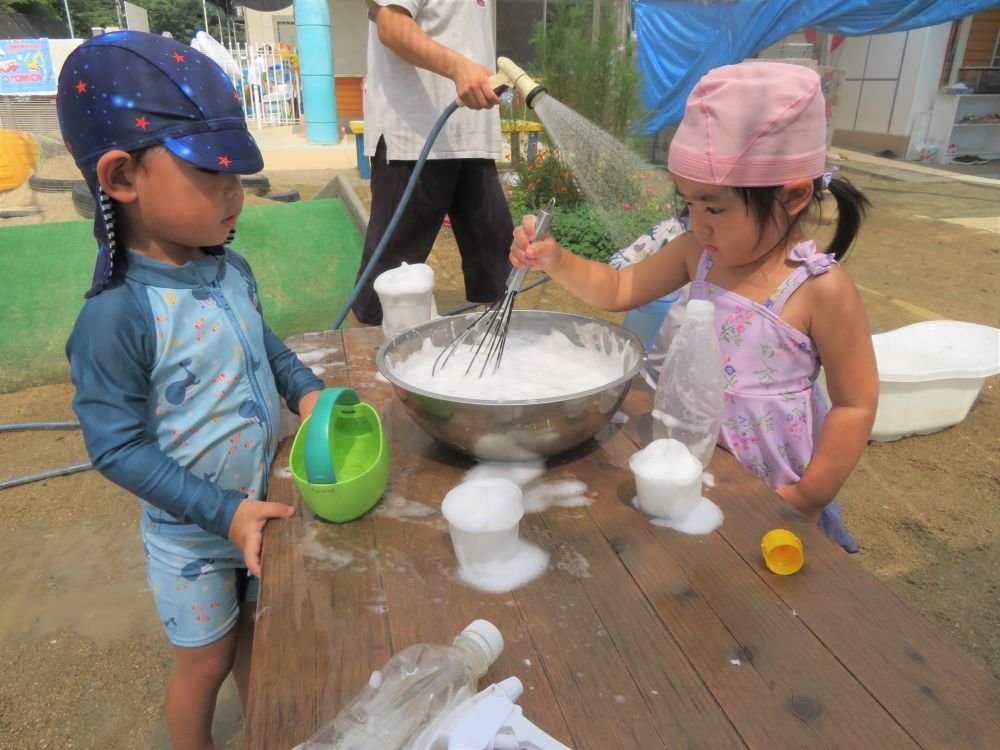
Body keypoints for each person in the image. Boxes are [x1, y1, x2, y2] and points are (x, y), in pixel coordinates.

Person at [55, 31, 324, 748]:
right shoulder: (118, 315)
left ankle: (263, 727)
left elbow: (262, 342)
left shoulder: (228, 269)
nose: (237, 192)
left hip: (255, 510)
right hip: (193, 540)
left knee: (258, 649)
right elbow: (114, 448)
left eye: (239, 171)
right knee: (203, 667)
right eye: (211, 172)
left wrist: (306, 392)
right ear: (120, 178)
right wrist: (220, 512)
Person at [510, 62, 878, 551]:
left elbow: (855, 404)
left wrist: (808, 497)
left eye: (715, 207)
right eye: (689, 205)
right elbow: (618, 289)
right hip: (687, 469)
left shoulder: (818, 289)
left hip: (772, 488)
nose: (698, 224)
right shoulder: (696, 254)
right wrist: (555, 259)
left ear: (791, 197)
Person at [353, 0, 514, 325]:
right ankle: (362, 371)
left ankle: (498, 362)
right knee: (383, 289)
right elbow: (392, 25)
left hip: (472, 139)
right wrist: (458, 68)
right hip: (413, 139)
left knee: (497, 271)